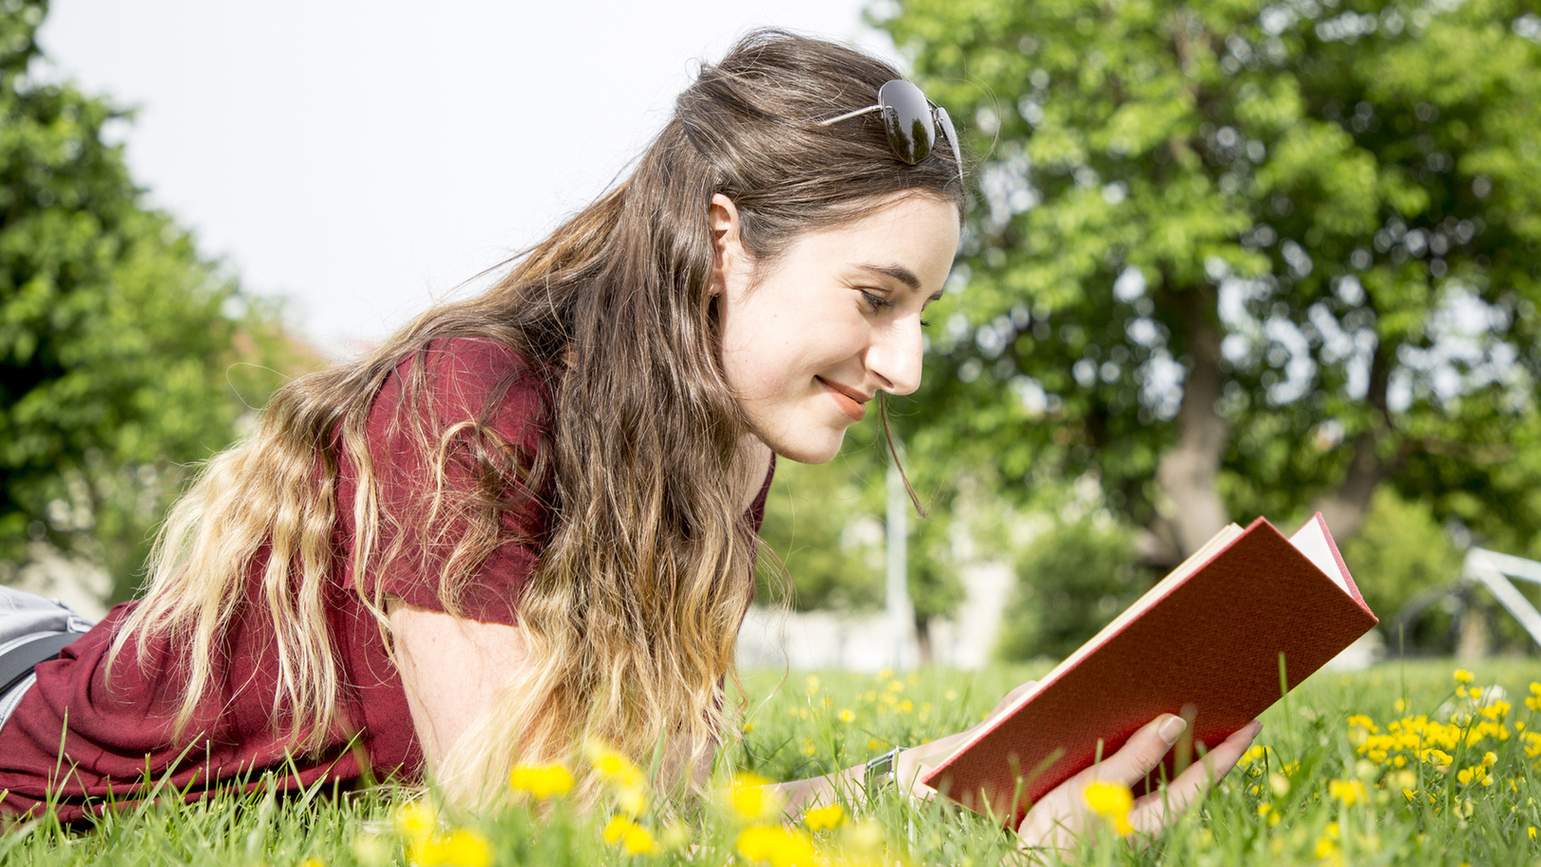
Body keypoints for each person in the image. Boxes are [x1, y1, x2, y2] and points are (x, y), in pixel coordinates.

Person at [0, 29, 1257, 848]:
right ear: (725, 244)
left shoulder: (721, 445)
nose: (906, 363)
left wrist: (946, 781)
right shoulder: (472, 397)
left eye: (921, 310)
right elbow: (526, 829)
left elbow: (660, 815)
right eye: (875, 300)